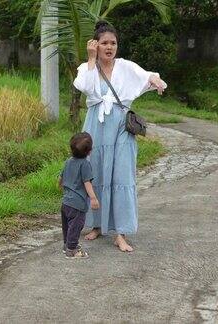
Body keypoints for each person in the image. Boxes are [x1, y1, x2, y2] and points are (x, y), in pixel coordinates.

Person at [73, 21, 167, 252]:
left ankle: (121, 233)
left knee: (122, 175)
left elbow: (149, 76)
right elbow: (83, 86)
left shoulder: (125, 66)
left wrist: (154, 80)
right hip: (96, 124)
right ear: (96, 44)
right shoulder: (88, 67)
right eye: (104, 43)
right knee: (95, 173)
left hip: (121, 127)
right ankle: (96, 225)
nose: (109, 47)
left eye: (113, 43)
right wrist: (91, 58)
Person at [59, 132, 100, 259]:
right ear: (89, 151)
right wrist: (93, 198)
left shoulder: (68, 161)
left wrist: (61, 187)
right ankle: (72, 250)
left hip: (66, 201)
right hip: (77, 204)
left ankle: (67, 245)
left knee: (67, 226)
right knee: (75, 226)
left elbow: (61, 178)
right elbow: (87, 183)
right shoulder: (85, 164)